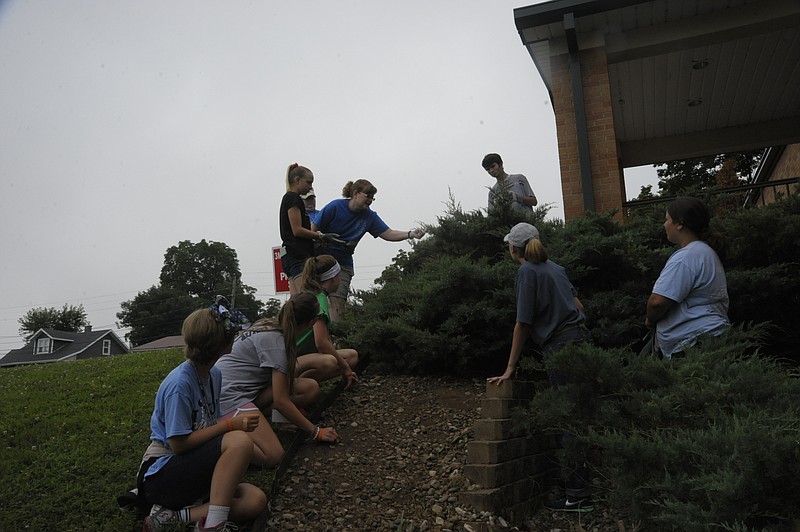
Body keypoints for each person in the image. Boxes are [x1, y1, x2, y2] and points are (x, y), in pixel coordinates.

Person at [487, 222, 593, 513]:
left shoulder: (526, 272)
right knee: (580, 416)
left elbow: (523, 323)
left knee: (569, 420)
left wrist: (510, 367)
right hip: (581, 340)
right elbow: (579, 306)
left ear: (513, 248)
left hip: (561, 347)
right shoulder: (556, 269)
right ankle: (581, 490)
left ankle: (577, 496)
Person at [139, 297, 267, 532]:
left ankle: (172, 517)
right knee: (238, 439)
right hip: (162, 478)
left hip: (191, 471)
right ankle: (213, 525)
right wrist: (231, 425)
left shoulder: (213, 374)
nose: (236, 337)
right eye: (232, 334)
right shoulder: (180, 385)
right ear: (219, 344)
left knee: (255, 500)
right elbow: (178, 444)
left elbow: (207, 426)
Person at [216, 291, 340, 468]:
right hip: (229, 397)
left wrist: (282, 421)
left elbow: (280, 387)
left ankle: (263, 422)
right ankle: (221, 441)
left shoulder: (269, 324)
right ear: (310, 323)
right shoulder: (277, 343)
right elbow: (281, 400)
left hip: (244, 389)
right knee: (273, 456)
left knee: (308, 387)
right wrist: (315, 431)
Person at [313, 178, 425, 321]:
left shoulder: (370, 217)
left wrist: (410, 234)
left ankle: (335, 337)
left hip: (343, 264)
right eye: (368, 196)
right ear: (355, 194)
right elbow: (312, 230)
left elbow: (388, 233)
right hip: (322, 261)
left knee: (337, 304)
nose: (371, 200)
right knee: (315, 299)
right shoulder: (335, 207)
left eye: (373, 197)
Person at [645, 196, 729, 359]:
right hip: (711, 335)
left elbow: (657, 302)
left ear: (680, 223)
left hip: (693, 343)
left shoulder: (686, 257)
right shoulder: (706, 252)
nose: (665, 225)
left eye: (667, 219)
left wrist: (649, 320)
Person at [296, 255, 359, 387]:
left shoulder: (309, 294)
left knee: (348, 356)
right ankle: (296, 385)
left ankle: (299, 381)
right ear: (333, 277)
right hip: (292, 359)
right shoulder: (320, 299)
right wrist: (346, 368)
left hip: (296, 356)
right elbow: (322, 342)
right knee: (343, 359)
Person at [279, 164, 342, 295]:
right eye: (308, 182)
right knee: (306, 299)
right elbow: (297, 230)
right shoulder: (292, 198)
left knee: (296, 301)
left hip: (290, 255)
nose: (310, 187)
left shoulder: (289, 198)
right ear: (297, 180)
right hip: (297, 255)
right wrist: (321, 236)